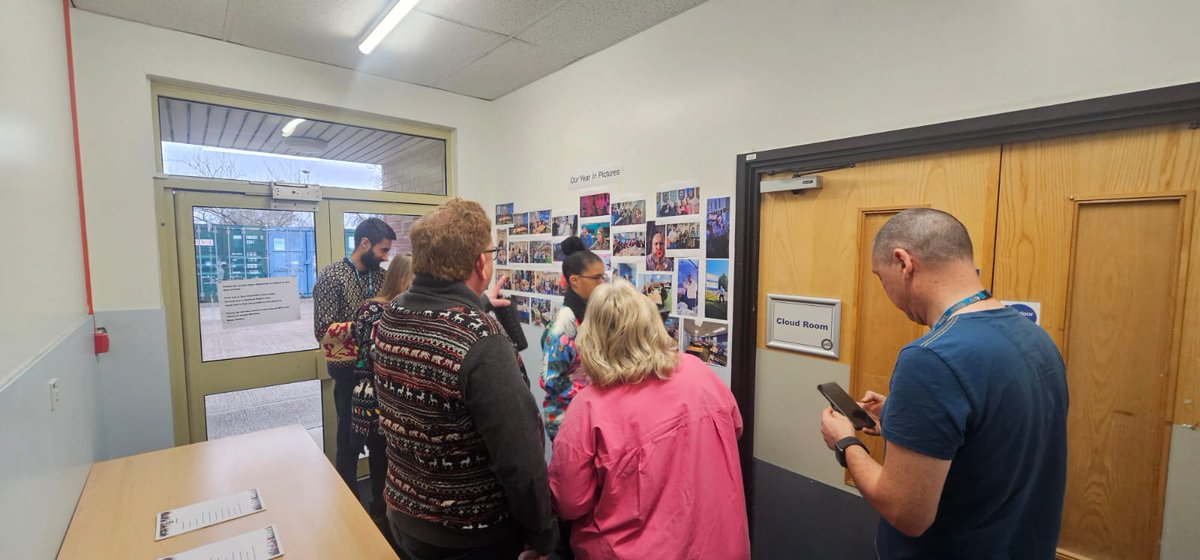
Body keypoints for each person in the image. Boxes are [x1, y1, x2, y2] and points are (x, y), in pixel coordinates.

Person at [818, 208, 1067, 559]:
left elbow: (907, 513)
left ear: (903, 262)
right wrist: (900, 417)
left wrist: (844, 441)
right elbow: (991, 435)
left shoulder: (931, 357)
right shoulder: (1035, 338)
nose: (885, 290)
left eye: (880, 276)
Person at [372, 198, 554, 560]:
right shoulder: (482, 340)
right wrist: (542, 535)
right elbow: (520, 458)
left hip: (405, 515)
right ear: (480, 262)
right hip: (470, 537)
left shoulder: (390, 313)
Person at [548, 280, 749, 560]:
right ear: (652, 325)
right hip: (720, 546)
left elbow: (569, 501)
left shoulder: (590, 406)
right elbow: (734, 429)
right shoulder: (699, 373)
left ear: (592, 337)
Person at [313, 217, 395, 490]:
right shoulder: (332, 276)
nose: (386, 257)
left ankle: (380, 511)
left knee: (379, 441)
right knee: (349, 440)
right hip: (347, 373)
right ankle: (347, 506)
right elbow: (323, 331)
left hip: (379, 372)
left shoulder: (383, 277)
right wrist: (366, 325)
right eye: (383, 250)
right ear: (364, 243)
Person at [350, 253, 414, 522]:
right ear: (402, 278)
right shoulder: (394, 311)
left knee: (383, 458)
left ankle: (381, 511)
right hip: (383, 396)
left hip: (373, 393)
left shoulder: (367, 308)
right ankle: (384, 515)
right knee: (384, 457)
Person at [540, 236, 604, 442]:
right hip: (566, 419)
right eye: (597, 278)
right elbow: (551, 380)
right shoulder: (564, 325)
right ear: (575, 281)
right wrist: (594, 394)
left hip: (587, 413)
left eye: (603, 277)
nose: (602, 284)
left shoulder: (588, 315)